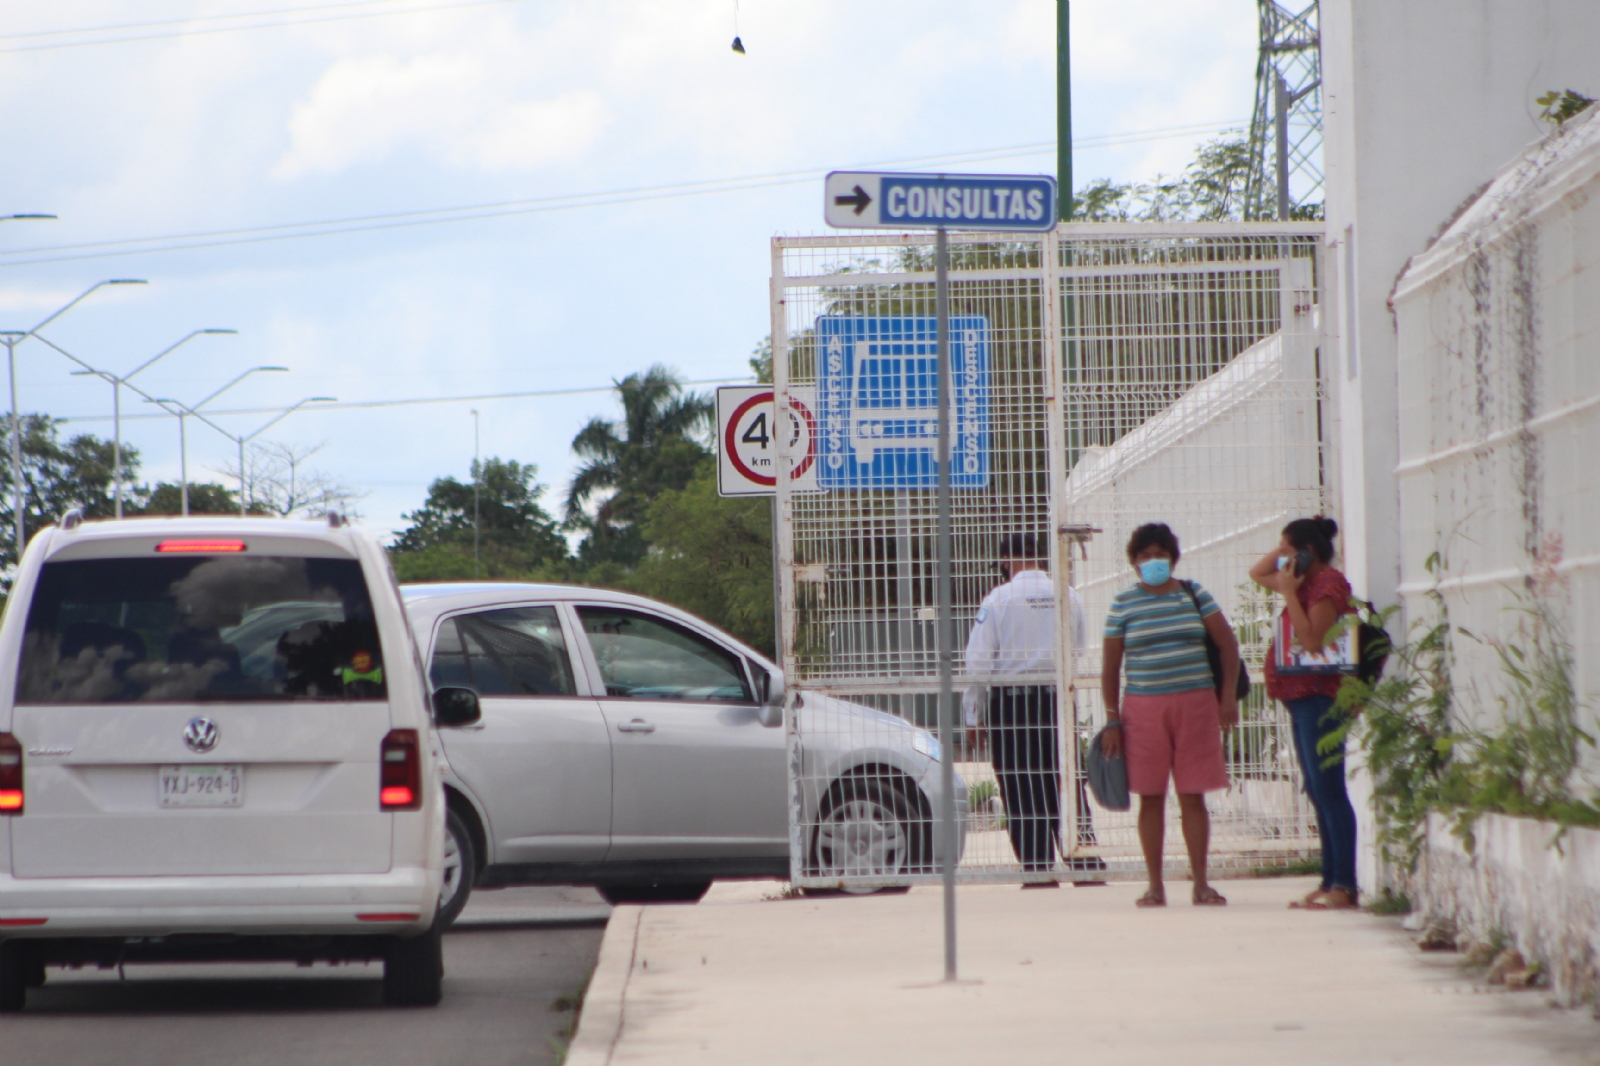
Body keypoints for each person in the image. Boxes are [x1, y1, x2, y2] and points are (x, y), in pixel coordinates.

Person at [1099, 522, 1238, 907]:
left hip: (1196, 705)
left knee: (1193, 796)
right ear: (1134, 562)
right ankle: (1155, 886)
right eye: (1146, 556)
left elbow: (1227, 645)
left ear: (1173, 559)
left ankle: (1201, 885)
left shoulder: (1194, 595)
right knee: (1151, 797)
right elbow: (1110, 668)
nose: (1154, 561)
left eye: (1161, 555)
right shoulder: (1123, 604)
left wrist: (1227, 698)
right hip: (1142, 710)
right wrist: (1112, 719)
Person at [1249, 516, 1360, 910]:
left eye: (1286, 549)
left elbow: (1313, 641)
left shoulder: (1327, 586)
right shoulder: (1304, 581)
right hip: (1298, 698)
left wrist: (1291, 594)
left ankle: (1344, 884)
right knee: (1316, 789)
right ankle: (1329, 878)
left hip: (1320, 697)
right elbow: (1256, 572)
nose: (1278, 558)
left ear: (1307, 552)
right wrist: (1288, 561)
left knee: (1329, 790)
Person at [962, 532, 1086, 884]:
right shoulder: (1069, 595)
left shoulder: (999, 599)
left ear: (1006, 560)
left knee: (1020, 784)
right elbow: (1078, 651)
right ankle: (1083, 859)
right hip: (1058, 702)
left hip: (1012, 707)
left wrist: (974, 714)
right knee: (1065, 779)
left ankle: (1037, 867)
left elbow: (978, 665)